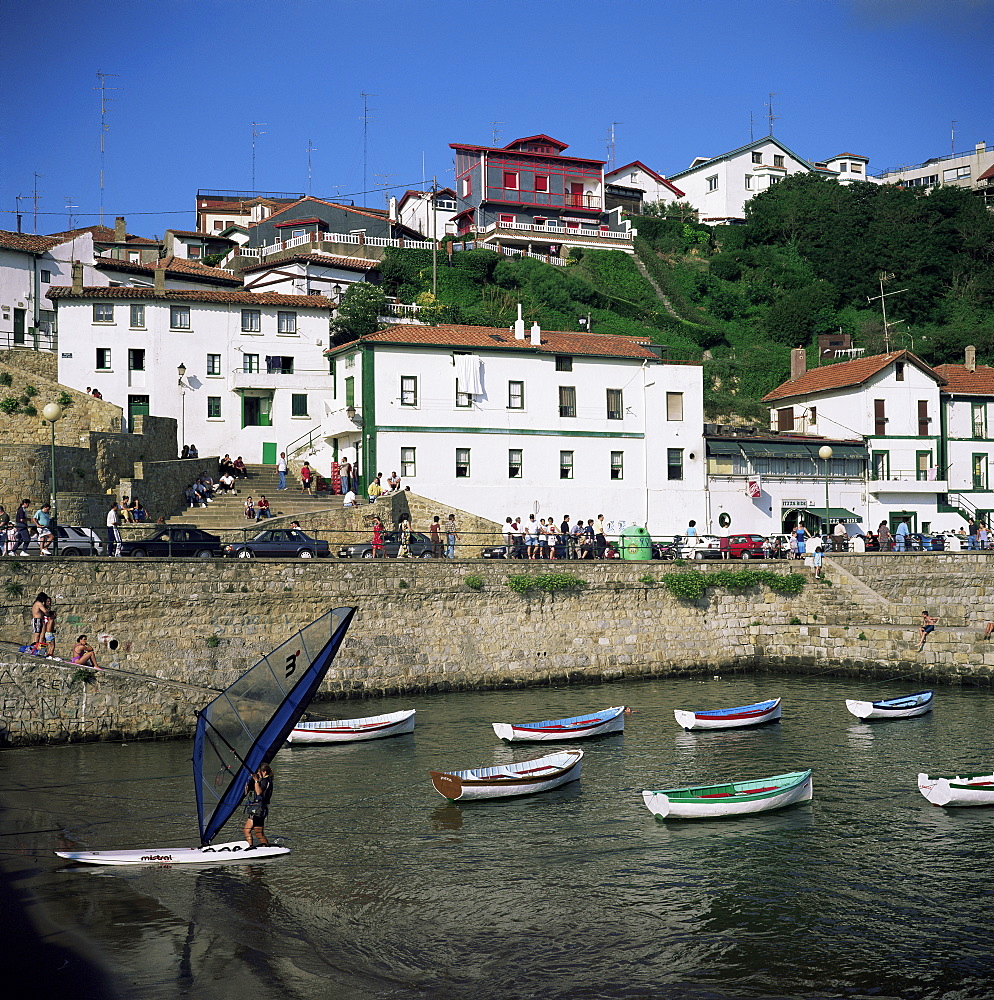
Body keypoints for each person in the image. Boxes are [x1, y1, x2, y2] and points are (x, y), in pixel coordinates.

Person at [243, 763, 274, 849]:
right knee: (246, 830)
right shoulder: (264, 780)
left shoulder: (266, 780)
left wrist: (256, 781)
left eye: (258, 771)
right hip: (256, 809)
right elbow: (256, 789)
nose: (257, 773)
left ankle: (266, 847)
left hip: (259, 809)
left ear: (263, 772)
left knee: (259, 833)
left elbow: (259, 792)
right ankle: (250, 846)